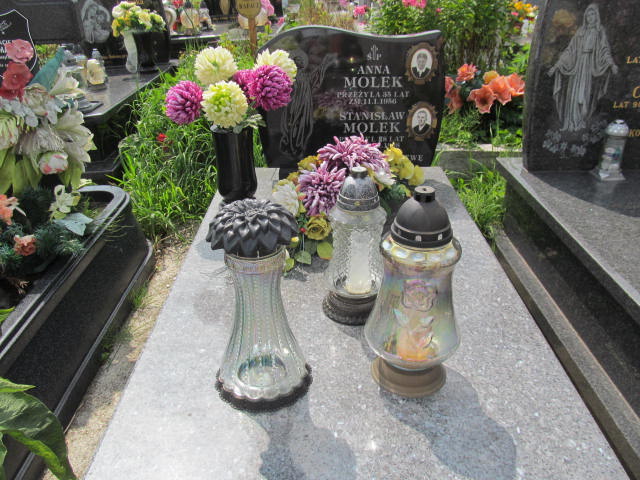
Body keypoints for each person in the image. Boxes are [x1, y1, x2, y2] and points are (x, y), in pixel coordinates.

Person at [548, 3, 617, 132]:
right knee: (573, 95)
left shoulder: (599, 31)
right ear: (585, 17)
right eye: (588, 15)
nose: (590, 17)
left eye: (593, 14)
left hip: (589, 66)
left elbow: (604, 50)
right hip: (577, 66)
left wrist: (611, 64)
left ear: (596, 16)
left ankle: (580, 122)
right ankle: (571, 123)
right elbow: (570, 50)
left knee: (584, 95)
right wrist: (556, 66)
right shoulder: (581, 31)